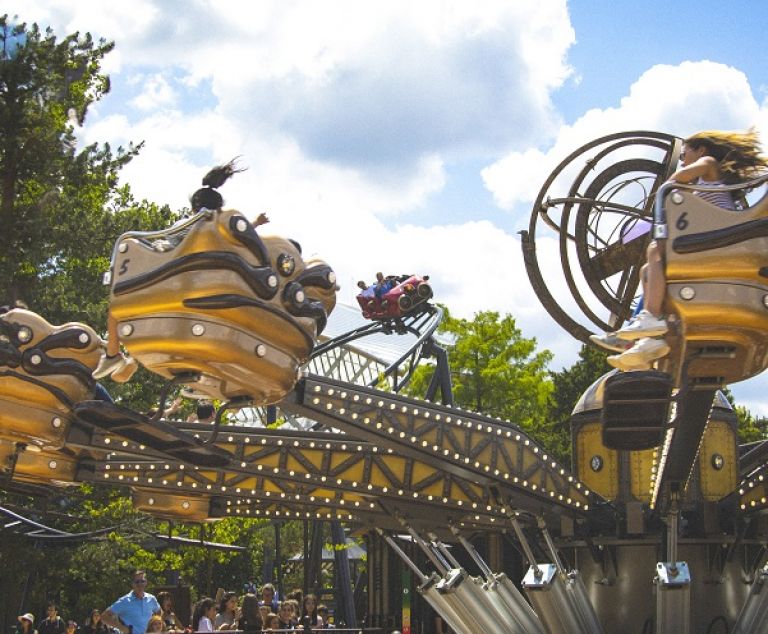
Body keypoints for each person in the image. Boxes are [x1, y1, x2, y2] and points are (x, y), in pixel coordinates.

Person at [599, 129, 768, 370]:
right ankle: (647, 336)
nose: (682, 157)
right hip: (710, 244)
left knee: (656, 249)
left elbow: (680, 177)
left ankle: (648, 320)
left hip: (714, 245)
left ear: (702, 150)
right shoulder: (709, 186)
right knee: (648, 272)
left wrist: (668, 187)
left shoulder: (708, 164)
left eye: (686, 151)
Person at [94, 159, 266, 384]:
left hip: (170, 285)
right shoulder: (213, 229)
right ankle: (127, 357)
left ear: (193, 207)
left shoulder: (185, 225)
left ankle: (115, 354)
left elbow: (161, 248)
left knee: (117, 307)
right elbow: (238, 239)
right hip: (191, 289)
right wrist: (255, 223)